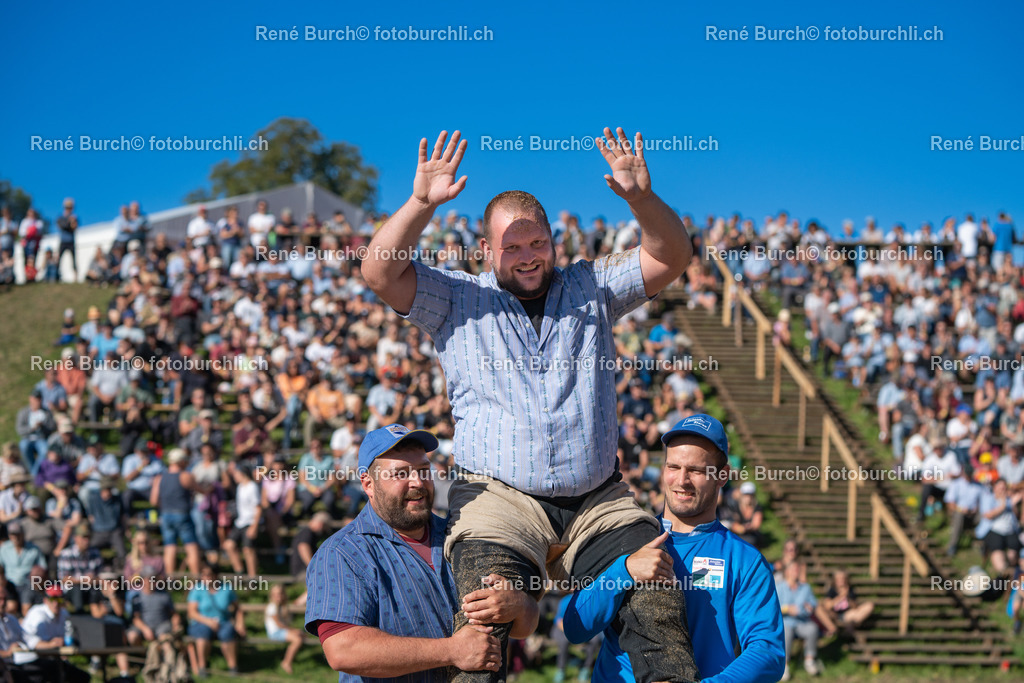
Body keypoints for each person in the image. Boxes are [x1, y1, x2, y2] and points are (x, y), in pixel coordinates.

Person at [361, 128, 696, 683]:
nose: (526, 256)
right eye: (511, 247)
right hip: (498, 499)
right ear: (487, 250)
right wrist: (421, 203)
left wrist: (640, 198)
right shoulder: (458, 296)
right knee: (483, 619)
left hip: (598, 501)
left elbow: (673, 254)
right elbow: (379, 272)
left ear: (553, 242)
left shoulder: (592, 286)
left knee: (656, 596)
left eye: (536, 243)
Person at [304, 424, 538, 682]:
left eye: (423, 470)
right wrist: (452, 651)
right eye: (400, 474)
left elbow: (524, 626)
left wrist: (519, 605)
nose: (417, 482)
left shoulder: (463, 535)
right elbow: (343, 650)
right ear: (368, 484)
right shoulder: (344, 553)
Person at [562, 414, 785, 682]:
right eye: (673, 467)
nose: (682, 480)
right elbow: (575, 627)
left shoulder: (745, 560)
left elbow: (768, 651)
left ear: (722, 476)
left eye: (696, 470)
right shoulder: (624, 538)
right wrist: (626, 570)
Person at [19, 585, 90, 683]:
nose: (56, 603)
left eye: (59, 600)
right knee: (55, 672)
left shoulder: (64, 614)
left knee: (83, 677)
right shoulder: (38, 615)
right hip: (29, 660)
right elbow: (33, 645)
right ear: (45, 600)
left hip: (52, 659)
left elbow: (68, 637)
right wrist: (52, 645)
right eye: (52, 599)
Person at [187, 564, 245, 677]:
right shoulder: (197, 589)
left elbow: (238, 609)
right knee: (203, 635)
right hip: (201, 622)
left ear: (216, 575)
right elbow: (192, 612)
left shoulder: (226, 589)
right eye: (203, 575)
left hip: (223, 622)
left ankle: (233, 667)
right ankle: (203, 667)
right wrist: (208, 621)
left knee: (228, 633)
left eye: (208, 574)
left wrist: (240, 624)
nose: (205, 577)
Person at [150, 448, 201, 577]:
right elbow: (201, 490)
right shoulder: (185, 476)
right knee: (191, 546)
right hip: (182, 513)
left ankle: (170, 579)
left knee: (169, 547)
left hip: (165, 514)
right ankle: (196, 578)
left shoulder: (159, 478)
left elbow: (154, 501)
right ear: (181, 461)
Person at [775, 561, 823, 680]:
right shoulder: (779, 587)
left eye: (797, 570)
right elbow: (773, 607)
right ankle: (784, 666)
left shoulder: (805, 588)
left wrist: (809, 608)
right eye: (793, 570)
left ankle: (809, 660)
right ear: (786, 572)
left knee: (813, 628)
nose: (795, 572)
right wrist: (787, 609)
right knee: (787, 632)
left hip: (802, 621)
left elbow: (812, 604)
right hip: (785, 622)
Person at [265, 583, 305, 674]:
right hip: (275, 632)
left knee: (299, 635)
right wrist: (294, 630)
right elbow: (279, 625)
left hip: (281, 631)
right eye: (275, 594)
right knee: (297, 639)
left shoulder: (282, 607)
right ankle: (286, 662)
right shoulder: (272, 607)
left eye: (280, 594)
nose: (278, 597)